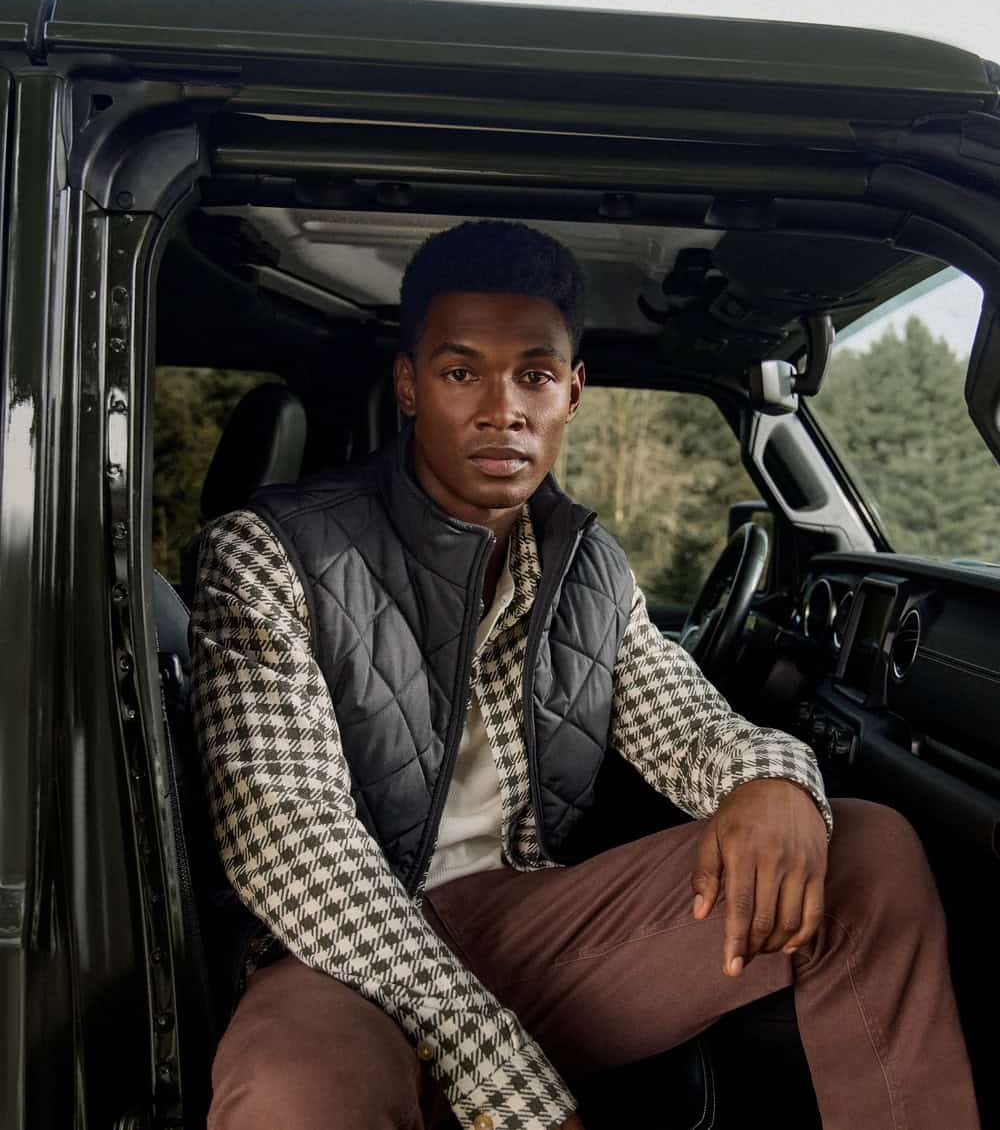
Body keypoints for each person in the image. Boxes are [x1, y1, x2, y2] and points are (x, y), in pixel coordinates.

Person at [190, 220, 979, 1130]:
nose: (503, 410)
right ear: (410, 387)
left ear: (573, 392)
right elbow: (292, 839)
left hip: (525, 924)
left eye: (532, 375)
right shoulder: (272, 552)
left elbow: (681, 720)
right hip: (332, 950)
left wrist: (771, 776)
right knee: (299, 1095)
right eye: (460, 373)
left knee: (860, 853)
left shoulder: (587, 564)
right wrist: (498, 1072)